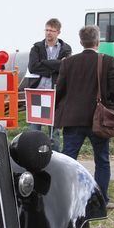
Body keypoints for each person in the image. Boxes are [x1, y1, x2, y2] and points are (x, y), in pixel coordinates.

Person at [55, 25, 114, 204]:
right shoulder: (107, 61)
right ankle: (100, 199)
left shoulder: (68, 63)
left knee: (68, 160)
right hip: (98, 119)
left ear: (80, 41)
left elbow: (59, 90)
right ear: (98, 41)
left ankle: (64, 197)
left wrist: (59, 110)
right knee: (102, 159)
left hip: (72, 118)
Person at [26, 18, 72, 150]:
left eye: (52, 30)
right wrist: (55, 65)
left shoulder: (66, 48)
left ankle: (55, 157)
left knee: (54, 131)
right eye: (47, 30)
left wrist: (45, 62)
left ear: (58, 32)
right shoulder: (37, 47)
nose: (48, 33)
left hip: (56, 93)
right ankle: (33, 155)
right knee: (34, 130)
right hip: (37, 92)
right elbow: (33, 66)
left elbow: (65, 67)